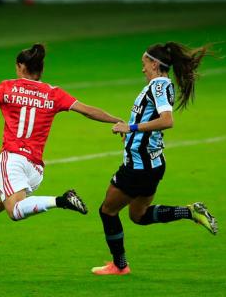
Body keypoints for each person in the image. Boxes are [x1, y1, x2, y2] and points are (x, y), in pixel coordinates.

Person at [0, 43, 124, 272]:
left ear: (20, 66)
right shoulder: (54, 93)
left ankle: (61, 200)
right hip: (36, 169)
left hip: (13, 159)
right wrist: (117, 120)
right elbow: (88, 110)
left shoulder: (8, 88)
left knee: (15, 212)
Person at [91, 42, 218, 276]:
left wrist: (131, 128)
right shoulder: (159, 85)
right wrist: (131, 134)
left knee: (107, 211)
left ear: (155, 64)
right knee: (138, 216)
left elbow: (167, 120)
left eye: (144, 64)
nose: (142, 69)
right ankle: (190, 211)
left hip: (139, 166)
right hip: (153, 163)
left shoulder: (158, 86)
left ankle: (119, 266)